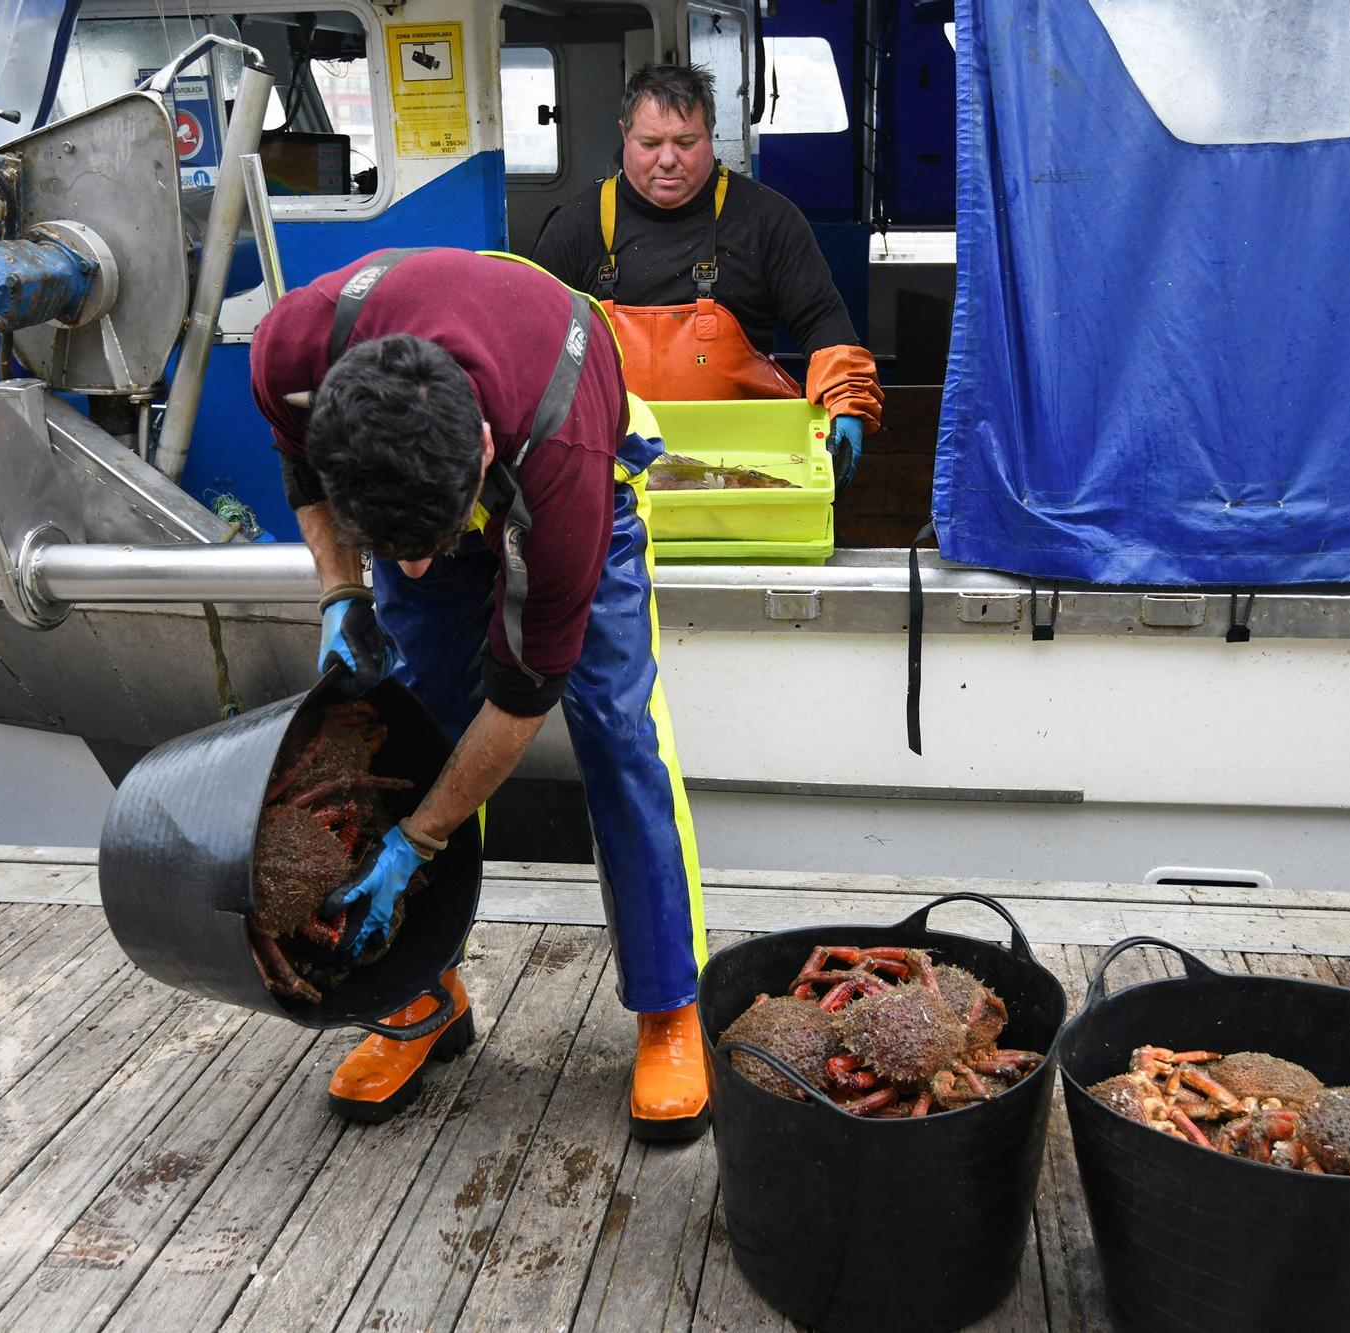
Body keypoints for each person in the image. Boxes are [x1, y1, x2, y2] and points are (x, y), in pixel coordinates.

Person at [250, 247, 711, 1142]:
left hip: (570, 432)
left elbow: (520, 703)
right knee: (416, 720)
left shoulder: (563, 466)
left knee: (617, 731)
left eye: (423, 545)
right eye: (394, 549)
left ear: (483, 456)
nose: (416, 570)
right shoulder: (295, 348)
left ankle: (669, 1004)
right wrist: (344, 587)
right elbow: (298, 458)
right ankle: (424, 987)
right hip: (435, 450)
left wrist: (417, 842)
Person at [532, 63, 882, 485]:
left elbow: (822, 321)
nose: (667, 160)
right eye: (649, 143)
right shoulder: (576, 226)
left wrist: (847, 403)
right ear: (624, 134)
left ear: (711, 133)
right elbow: (533, 346)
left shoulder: (768, 220)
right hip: (613, 471)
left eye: (686, 142)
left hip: (748, 468)